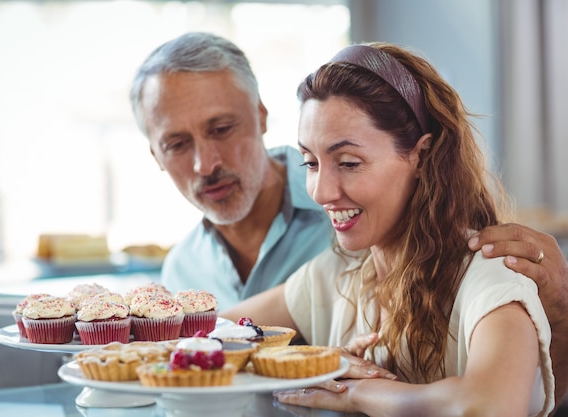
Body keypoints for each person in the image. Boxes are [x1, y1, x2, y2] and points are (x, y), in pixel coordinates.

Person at [222, 42, 557, 416]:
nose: (321, 192)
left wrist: (355, 393)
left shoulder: (490, 276)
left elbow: (490, 407)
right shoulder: (339, 273)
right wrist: (315, 362)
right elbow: (214, 335)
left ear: (421, 156)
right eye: (310, 163)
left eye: (348, 163)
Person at [129, 32, 333, 310]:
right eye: (177, 145)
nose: (205, 165)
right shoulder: (180, 273)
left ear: (260, 115)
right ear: (157, 157)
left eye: (221, 129)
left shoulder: (346, 215)